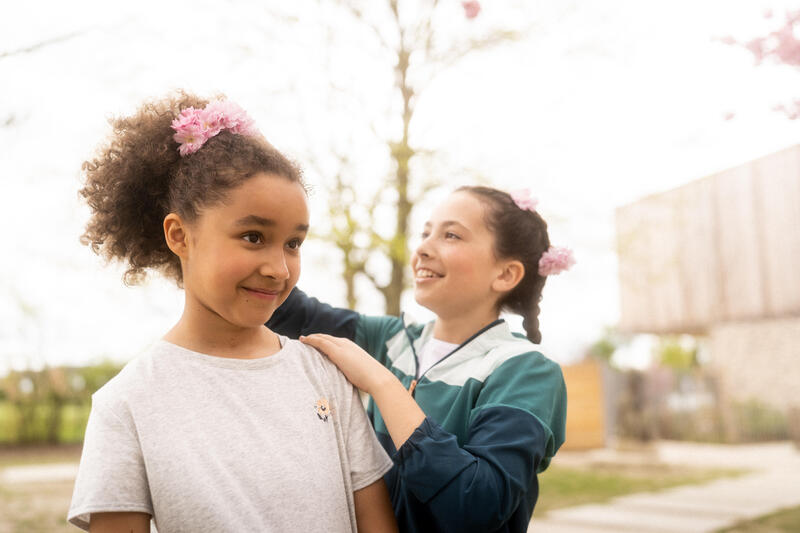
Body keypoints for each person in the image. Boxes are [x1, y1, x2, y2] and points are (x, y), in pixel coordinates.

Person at [67, 92, 397, 533]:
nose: (278, 269)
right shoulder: (126, 404)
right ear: (180, 235)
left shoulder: (326, 377)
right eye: (254, 237)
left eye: (294, 243)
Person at [267, 185, 573, 532]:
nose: (423, 248)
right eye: (426, 232)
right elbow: (285, 309)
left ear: (505, 274)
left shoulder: (524, 370)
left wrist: (383, 384)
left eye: (451, 235)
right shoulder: (393, 339)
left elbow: (477, 504)